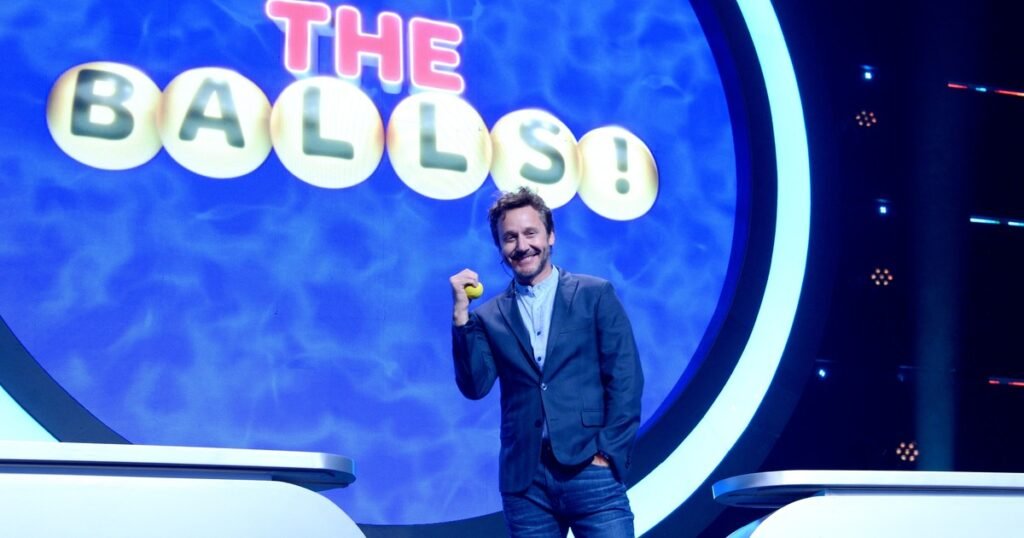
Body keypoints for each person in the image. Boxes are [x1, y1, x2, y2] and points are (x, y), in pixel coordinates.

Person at [450, 187, 644, 538]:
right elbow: (475, 387)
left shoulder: (594, 294)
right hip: (526, 484)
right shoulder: (488, 316)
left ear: (550, 235)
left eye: (530, 233)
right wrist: (462, 317)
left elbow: (625, 379)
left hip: (591, 469)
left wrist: (608, 453)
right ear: (500, 247)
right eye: (510, 237)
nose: (522, 245)